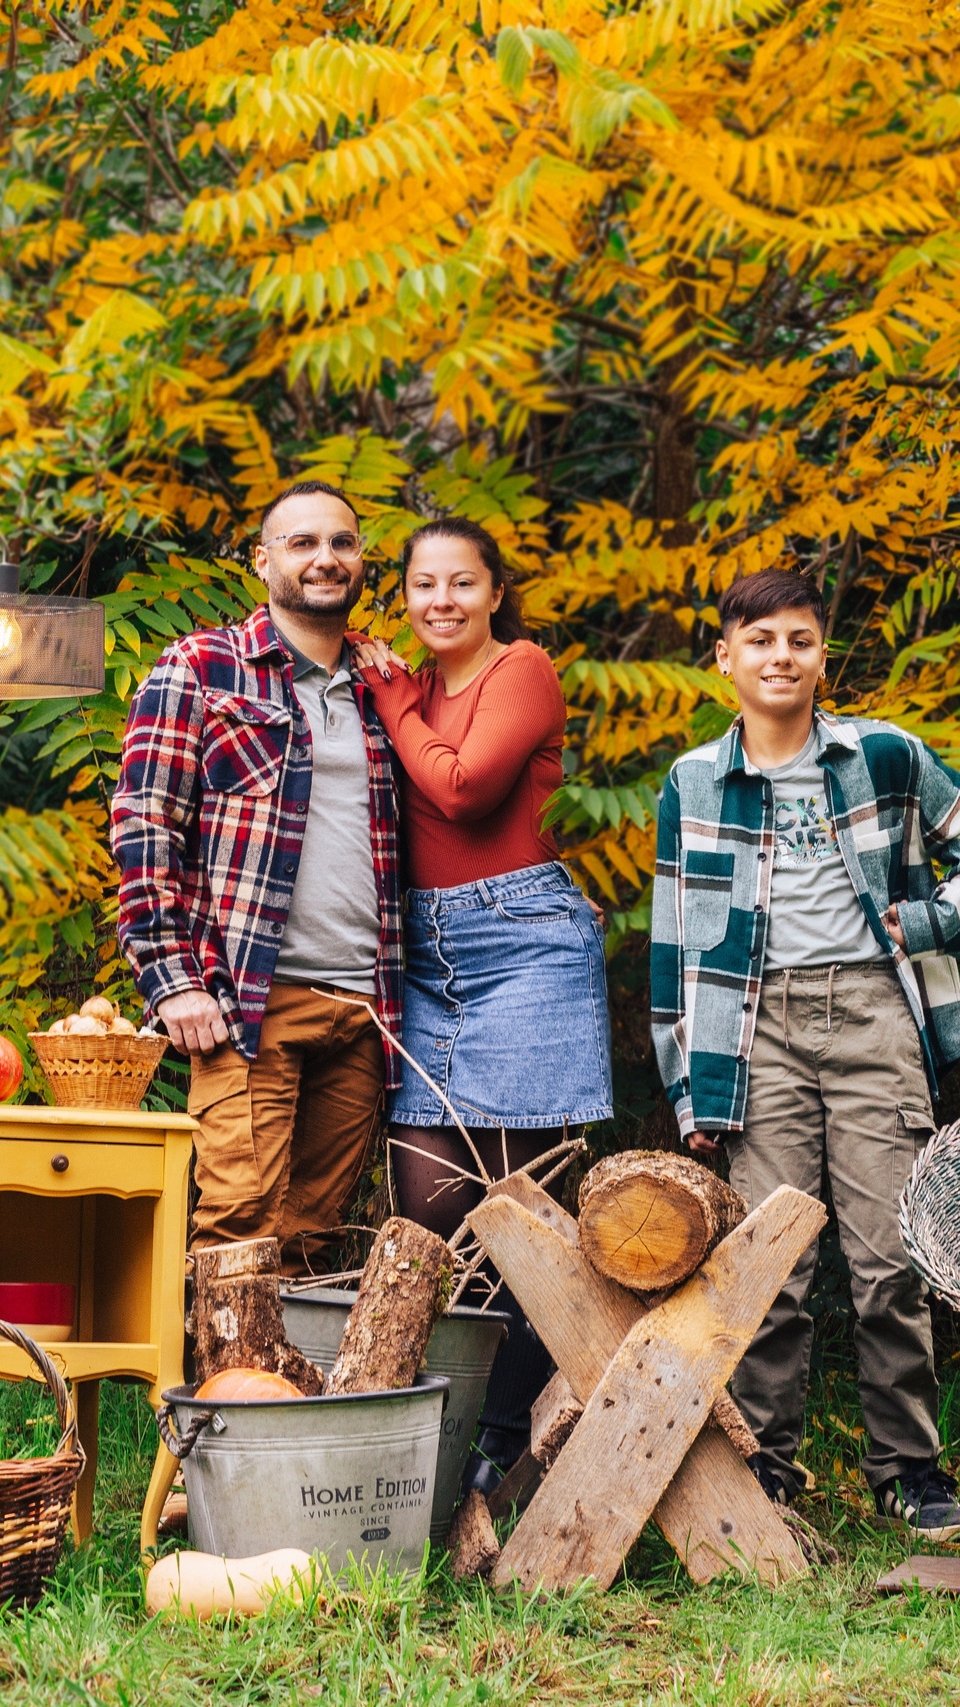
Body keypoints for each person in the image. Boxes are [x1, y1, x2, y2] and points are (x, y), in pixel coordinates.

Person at [649, 569, 960, 1538]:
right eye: (758, 640)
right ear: (724, 657)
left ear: (822, 656)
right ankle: (766, 1468)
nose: (780, 658)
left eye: (799, 640)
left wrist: (936, 919)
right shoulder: (691, 781)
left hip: (870, 1014)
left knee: (891, 1258)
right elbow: (676, 948)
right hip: (753, 1029)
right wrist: (692, 1089)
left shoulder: (881, 757)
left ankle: (910, 1474)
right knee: (771, 1262)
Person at [350, 516, 609, 1489]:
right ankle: (440, 1439)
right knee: (428, 1215)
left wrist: (390, 698)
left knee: (518, 1219)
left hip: (521, 948)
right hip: (422, 959)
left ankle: (507, 1445)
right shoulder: (403, 686)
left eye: (461, 583)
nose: (442, 602)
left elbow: (460, 791)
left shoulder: (522, 669)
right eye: (423, 585)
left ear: (495, 592)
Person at [111, 480, 404, 1274]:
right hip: (250, 999)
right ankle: (218, 1399)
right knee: (238, 1222)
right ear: (262, 559)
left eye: (342, 542)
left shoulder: (386, 687)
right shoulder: (200, 669)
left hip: (364, 1006)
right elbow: (145, 824)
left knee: (315, 1235)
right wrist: (172, 980)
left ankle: (288, 1396)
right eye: (302, 542)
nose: (325, 559)